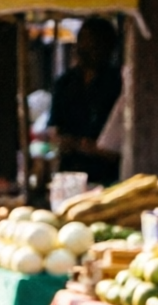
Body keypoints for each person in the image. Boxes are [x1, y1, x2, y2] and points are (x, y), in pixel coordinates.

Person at [50, 15, 125, 185]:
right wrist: (68, 143)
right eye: (85, 41)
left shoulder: (118, 83)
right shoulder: (64, 83)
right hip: (70, 173)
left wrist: (92, 147)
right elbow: (55, 130)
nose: (89, 47)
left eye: (96, 43)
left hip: (108, 174)